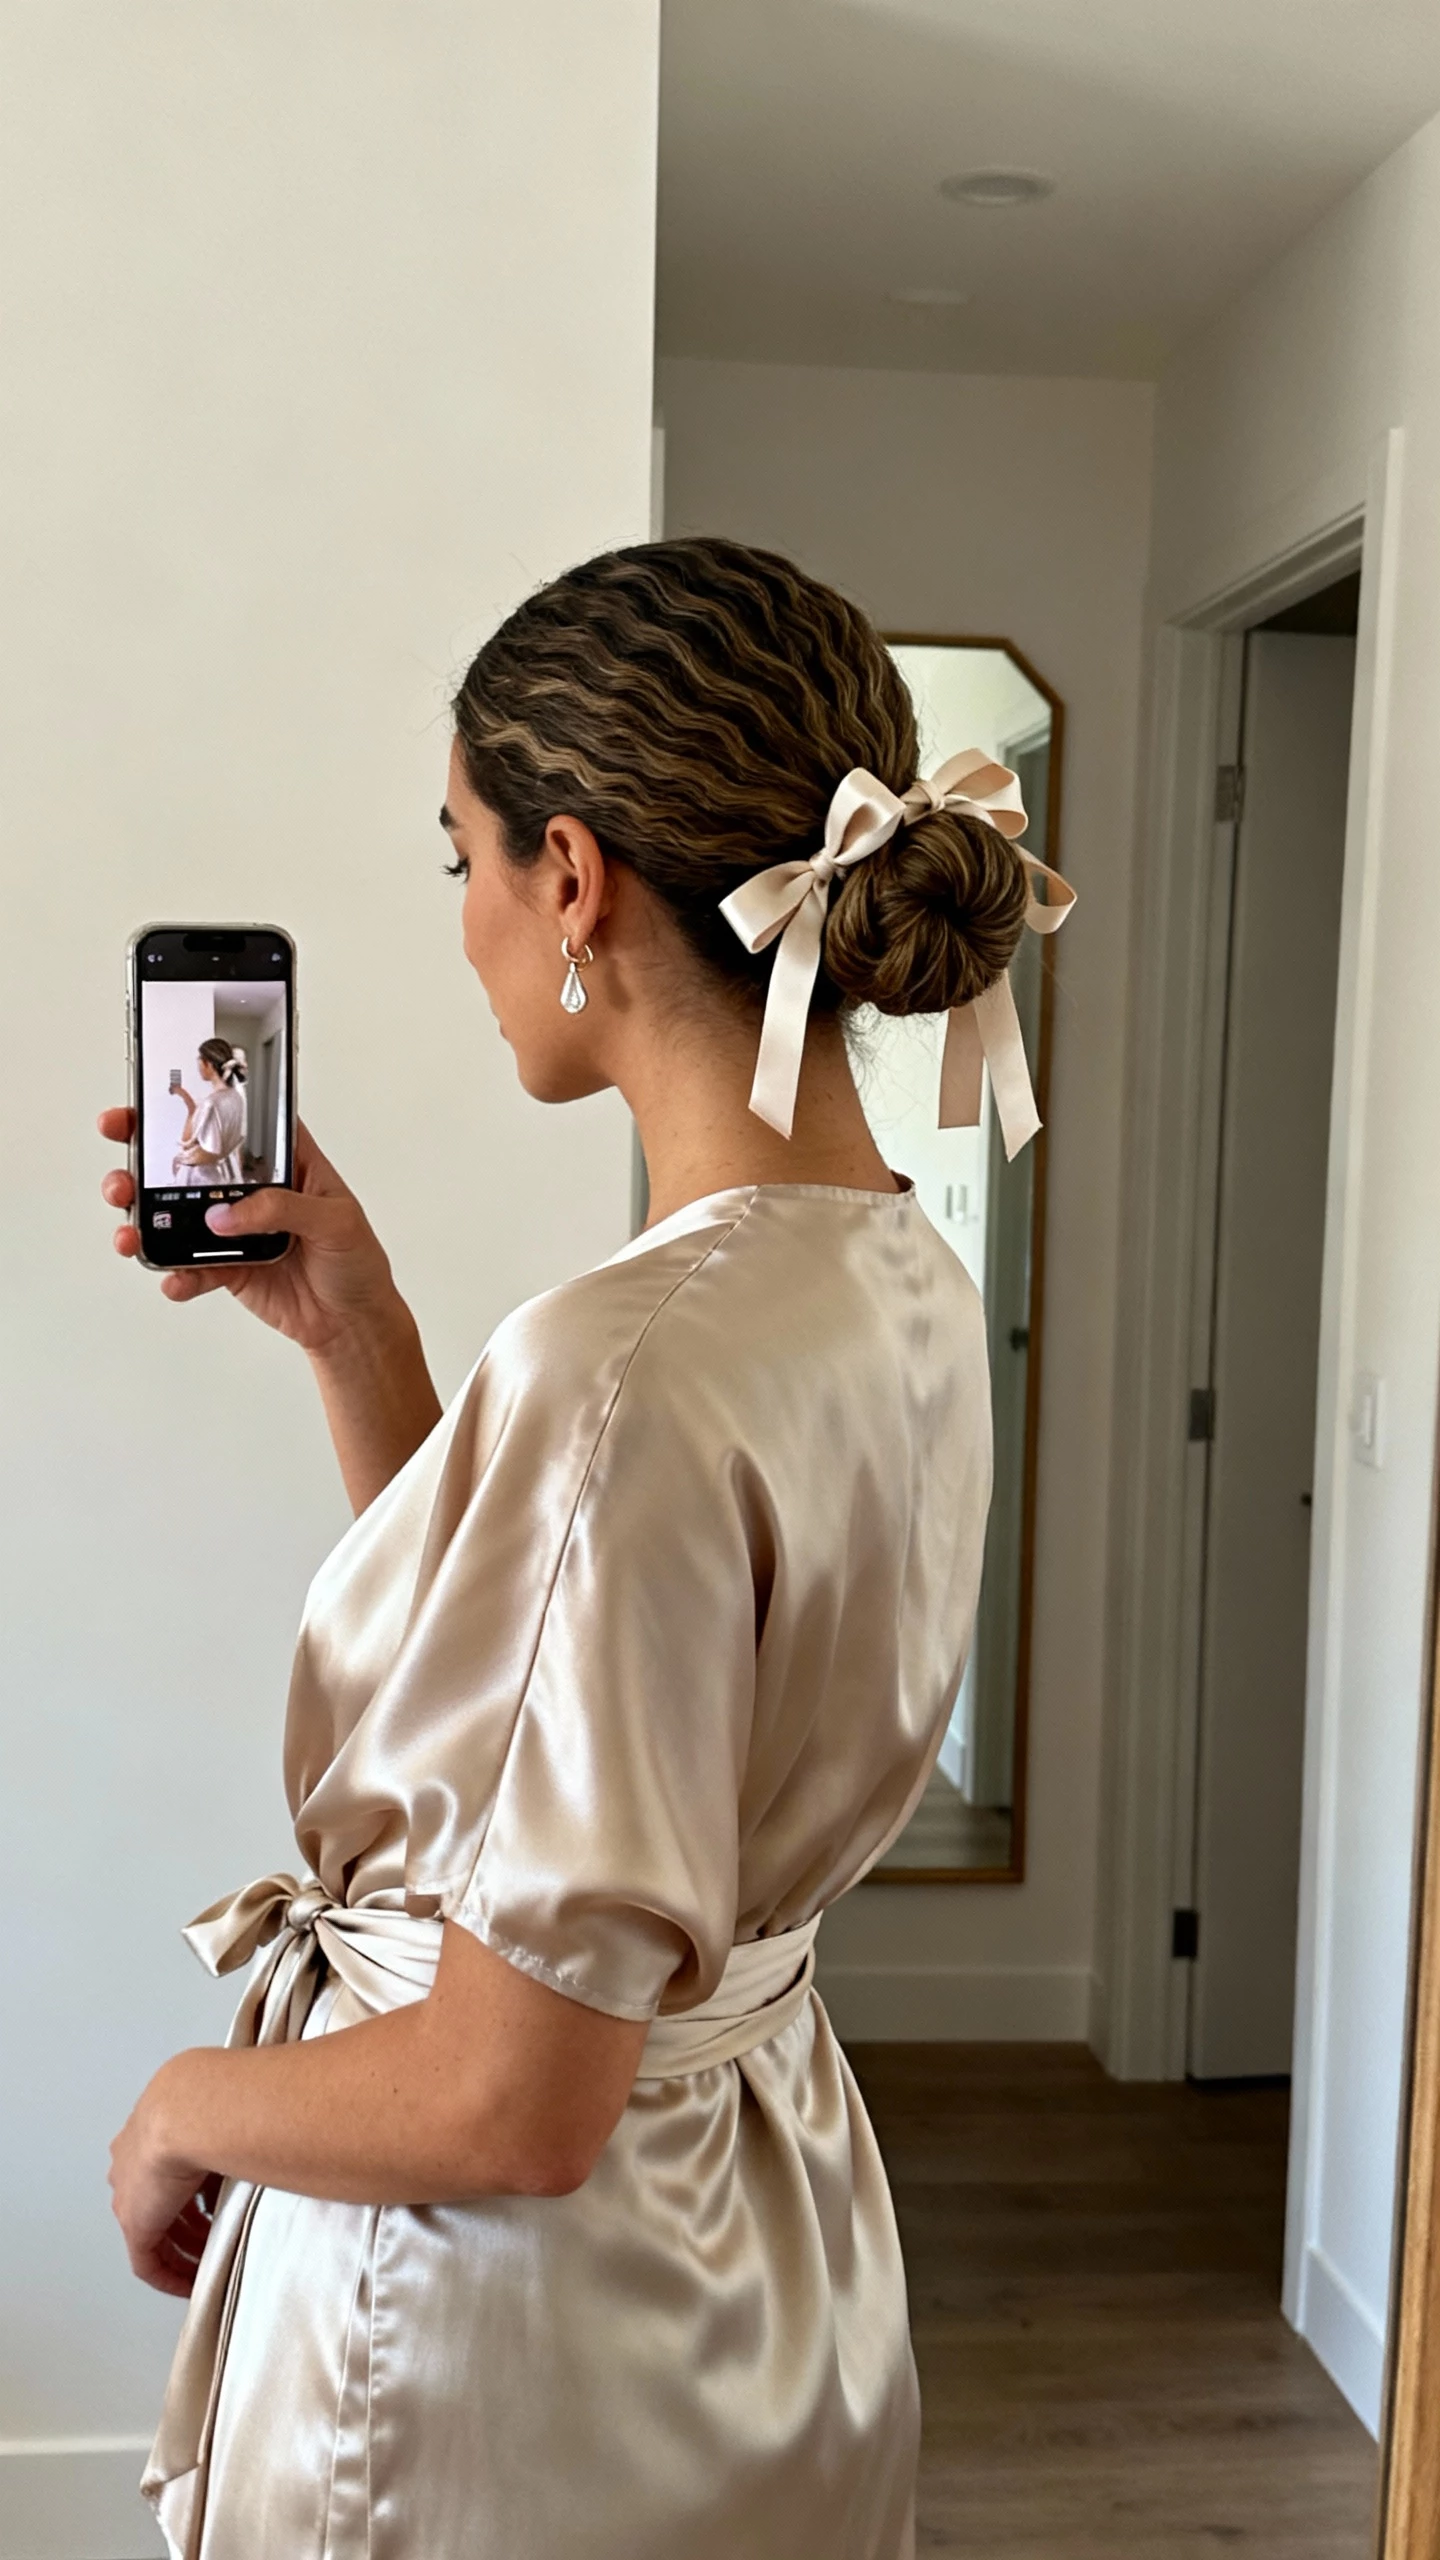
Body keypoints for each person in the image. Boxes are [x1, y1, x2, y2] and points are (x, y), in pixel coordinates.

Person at [96, 536, 1072, 2560]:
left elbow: (508, 2092)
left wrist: (187, 2095)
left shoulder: (623, 1369)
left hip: (508, 2370)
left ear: (571, 874)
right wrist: (356, 1320)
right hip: (752, 2262)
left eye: (455, 856)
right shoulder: (886, 1271)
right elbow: (548, 1702)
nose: (456, 920)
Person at [172, 1039, 246, 1185]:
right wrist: (188, 1101)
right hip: (218, 1177)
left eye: (199, 1060)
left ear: (207, 1063)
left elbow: (209, 1152)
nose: (198, 1065)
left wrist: (182, 1159)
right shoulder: (236, 1097)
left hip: (199, 1178)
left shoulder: (211, 1103)